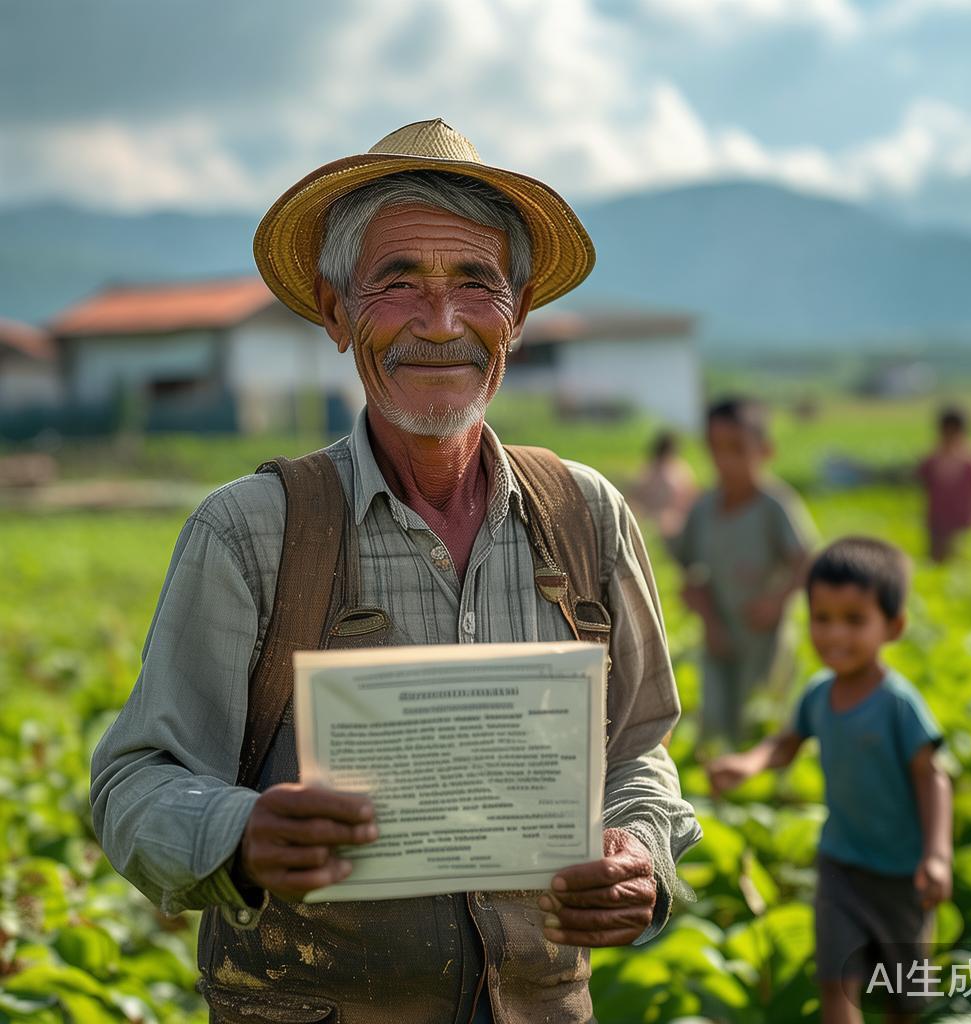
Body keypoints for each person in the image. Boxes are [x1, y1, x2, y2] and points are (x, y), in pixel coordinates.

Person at [89, 119, 701, 1024]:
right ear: (337, 313)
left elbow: (638, 750)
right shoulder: (252, 532)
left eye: (475, 283)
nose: (441, 323)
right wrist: (241, 833)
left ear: (519, 312)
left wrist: (639, 852)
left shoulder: (587, 517)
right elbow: (136, 780)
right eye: (398, 282)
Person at [707, 536, 953, 1024]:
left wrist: (938, 854)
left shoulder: (898, 704)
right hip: (840, 866)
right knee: (836, 981)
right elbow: (786, 742)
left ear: (894, 627)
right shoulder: (819, 693)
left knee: (903, 999)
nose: (834, 633)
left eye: (854, 620)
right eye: (822, 617)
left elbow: (932, 778)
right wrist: (750, 763)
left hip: (902, 876)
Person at [667, 397, 816, 746]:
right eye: (716, 449)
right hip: (719, 636)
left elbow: (806, 562)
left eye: (737, 449)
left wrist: (776, 601)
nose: (725, 460)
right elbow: (690, 576)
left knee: (761, 719)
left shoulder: (775, 504)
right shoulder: (704, 508)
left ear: (765, 450)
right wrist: (709, 619)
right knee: (716, 723)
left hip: (765, 638)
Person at [917, 405, 971, 562]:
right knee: (935, 556)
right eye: (946, 431)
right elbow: (922, 484)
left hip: (961, 519)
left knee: (959, 557)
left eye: (954, 431)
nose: (950, 436)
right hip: (937, 518)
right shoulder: (932, 458)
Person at [628, 429, 698, 544]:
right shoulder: (650, 470)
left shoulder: (679, 469)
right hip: (653, 517)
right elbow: (636, 496)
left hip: (674, 517)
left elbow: (691, 496)